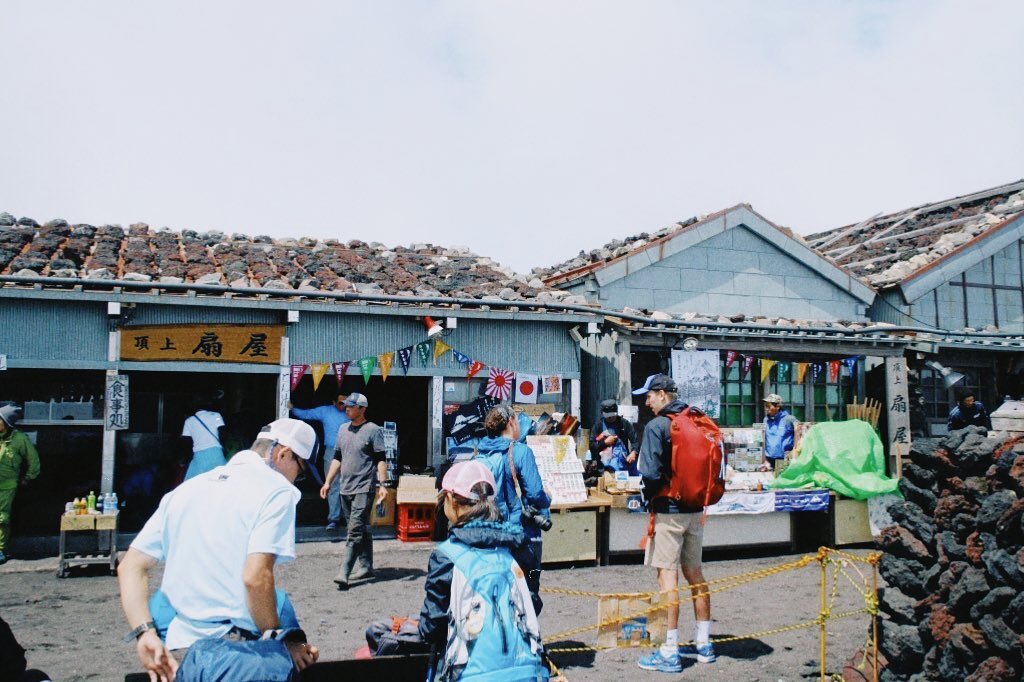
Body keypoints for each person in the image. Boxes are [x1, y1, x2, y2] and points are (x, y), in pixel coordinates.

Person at [117, 418, 321, 681]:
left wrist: (145, 633)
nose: (296, 480)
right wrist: (278, 640)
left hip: (176, 647)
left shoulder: (185, 491)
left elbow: (131, 566)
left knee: (162, 600)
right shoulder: (277, 490)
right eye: (300, 471)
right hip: (232, 653)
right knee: (281, 606)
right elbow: (255, 578)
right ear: (284, 454)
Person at [418, 460, 547, 681]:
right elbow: (533, 588)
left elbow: (433, 625)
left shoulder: (446, 556)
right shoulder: (519, 545)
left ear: (450, 498)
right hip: (525, 670)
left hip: (470, 673)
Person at [632, 373, 715, 673]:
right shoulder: (696, 420)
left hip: (668, 511)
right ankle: (704, 643)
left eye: (649, 395)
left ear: (663, 394)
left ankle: (670, 650)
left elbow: (651, 474)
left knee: (667, 580)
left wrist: (647, 496)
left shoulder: (657, 426)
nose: (646, 401)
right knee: (696, 575)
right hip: (695, 509)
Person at [472, 404, 551, 615]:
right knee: (527, 591)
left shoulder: (478, 454)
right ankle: (526, 641)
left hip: (488, 533)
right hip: (521, 535)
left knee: (495, 591)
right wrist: (547, 499)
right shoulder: (521, 451)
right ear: (511, 422)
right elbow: (535, 494)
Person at [320, 393, 387, 589]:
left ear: (362, 409)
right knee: (362, 528)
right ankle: (366, 567)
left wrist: (382, 484)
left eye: (350, 406)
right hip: (344, 487)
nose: (346, 408)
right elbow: (337, 458)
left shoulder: (373, 430)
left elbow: (380, 459)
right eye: (345, 405)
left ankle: (344, 572)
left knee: (354, 530)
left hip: (364, 487)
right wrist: (328, 482)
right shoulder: (342, 430)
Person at [291, 391, 351, 530]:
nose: (345, 406)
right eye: (341, 402)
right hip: (331, 450)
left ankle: (348, 518)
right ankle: (334, 518)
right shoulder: (325, 411)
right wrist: (291, 408)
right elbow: (306, 414)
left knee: (349, 484)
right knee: (332, 485)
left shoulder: (351, 412)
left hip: (349, 451)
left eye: (347, 403)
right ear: (333, 402)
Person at [0, 405, 40, 566]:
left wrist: (28, 477)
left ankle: (1, 549)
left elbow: (34, 460)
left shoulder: (19, 439)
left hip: (7, 485)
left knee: (1, 517)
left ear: (7, 423)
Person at [181, 391, 227, 480]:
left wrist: (185, 459)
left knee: (193, 484)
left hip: (199, 457)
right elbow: (223, 434)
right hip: (217, 453)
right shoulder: (216, 415)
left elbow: (185, 443)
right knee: (221, 482)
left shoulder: (189, 421)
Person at [590, 399, 639, 475]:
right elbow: (591, 446)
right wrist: (605, 443)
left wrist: (634, 452)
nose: (610, 418)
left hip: (622, 466)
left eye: (612, 415)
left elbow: (635, 441)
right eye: (607, 416)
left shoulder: (624, 424)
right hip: (602, 468)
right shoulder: (597, 426)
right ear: (602, 413)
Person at [760, 393, 798, 472]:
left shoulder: (789, 419)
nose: (766, 409)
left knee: (782, 482)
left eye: (768, 406)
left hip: (784, 459)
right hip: (769, 460)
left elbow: (800, 432)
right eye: (765, 406)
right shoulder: (766, 420)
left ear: (777, 406)